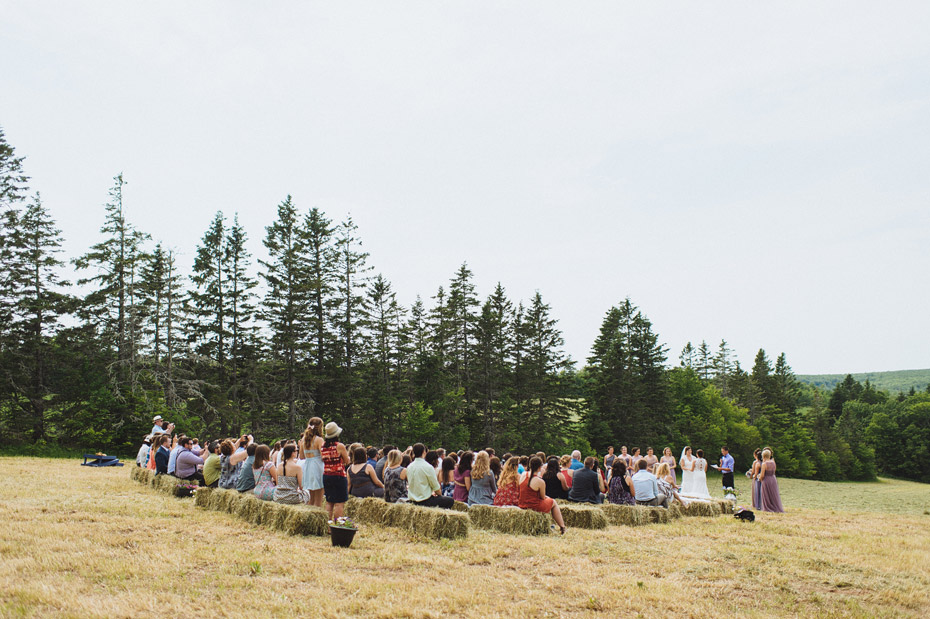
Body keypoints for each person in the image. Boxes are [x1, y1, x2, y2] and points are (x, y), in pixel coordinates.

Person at [518, 457, 566, 534]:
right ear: (540, 467)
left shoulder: (523, 475)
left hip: (522, 503)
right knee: (553, 502)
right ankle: (562, 526)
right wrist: (548, 498)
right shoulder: (540, 481)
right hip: (533, 505)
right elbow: (542, 497)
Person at [408, 443, 455, 508]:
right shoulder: (428, 467)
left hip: (412, 499)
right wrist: (440, 495)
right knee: (450, 501)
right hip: (425, 500)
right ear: (424, 452)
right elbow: (436, 487)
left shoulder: (409, 467)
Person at [321, 422, 350, 519]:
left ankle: (328, 526)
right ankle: (337, 526)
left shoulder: (323, 446)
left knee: (329, 502)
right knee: (339, 503)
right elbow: (347, 461)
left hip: (326, 475)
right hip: (338, 475)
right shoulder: (340, 446)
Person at [300, 418, 325, 507]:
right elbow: (323, 456)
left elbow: (301, 457)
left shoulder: (303, 440)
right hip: (317, 466)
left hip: (308, 466)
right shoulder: (319, 440)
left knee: (312, 498)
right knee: (319, 498)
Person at [758, 448, 785, 513]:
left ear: (763, 456)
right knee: (773, 493)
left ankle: (767, 507)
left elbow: (762, 475)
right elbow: (774, 471)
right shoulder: (773, 462)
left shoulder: (764, 464)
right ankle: (774, 506)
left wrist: (758, 478)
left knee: (766, 494)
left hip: (766, 480)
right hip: (773, 479)